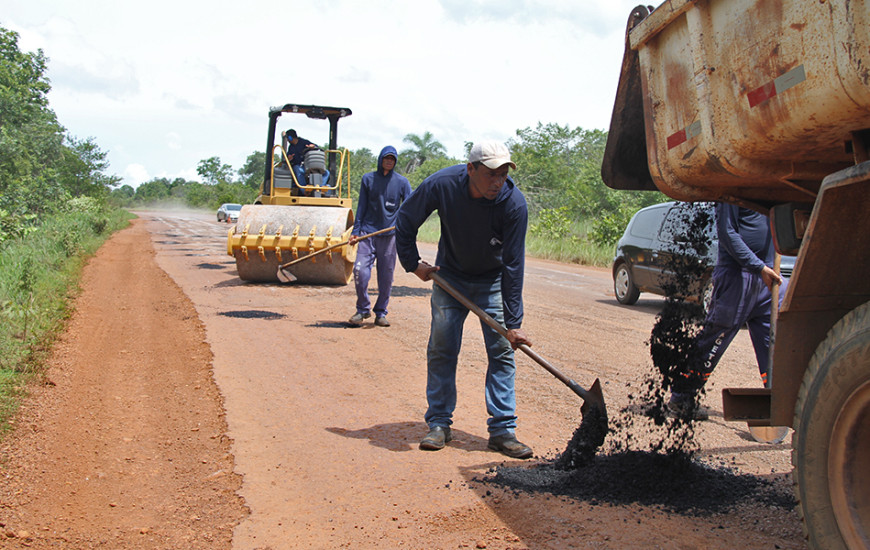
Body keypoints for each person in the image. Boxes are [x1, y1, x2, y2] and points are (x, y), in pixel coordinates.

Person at [395, 141, 534, 459]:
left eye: (502, 175)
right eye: (490, 175)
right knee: (442, 350)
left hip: (492, 283)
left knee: (502, 354)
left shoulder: (513, 204)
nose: (497, 182)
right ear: (470, 169)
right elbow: (405, 220)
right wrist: (413, 263)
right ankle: (440, 424)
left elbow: (514, 267)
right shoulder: (441, 185)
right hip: (450, 279)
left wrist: (513, 324)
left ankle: (502, 431)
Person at [668, 202, 785, 420]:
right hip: (738, 276)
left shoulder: (774, 190)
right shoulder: (734, 189)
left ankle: (777, 402)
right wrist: (758, 267)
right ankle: (681, 397)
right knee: (715, 338)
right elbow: (727, 233)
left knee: (773, 343)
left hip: (769, 280)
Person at [348, 146, 412, 327]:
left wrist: (403, 227)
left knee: (386, 277)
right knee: (359, 270)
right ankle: (362, 309)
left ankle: (381, 312)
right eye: (386, 158)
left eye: (392, 159)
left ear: (395, 161)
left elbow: (409, 208)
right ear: (380, 159)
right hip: (367, 233)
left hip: (389, 235)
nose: (389, 161)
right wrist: (355, 232)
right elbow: (361, 207)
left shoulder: (402, 182)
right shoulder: (368, 179)